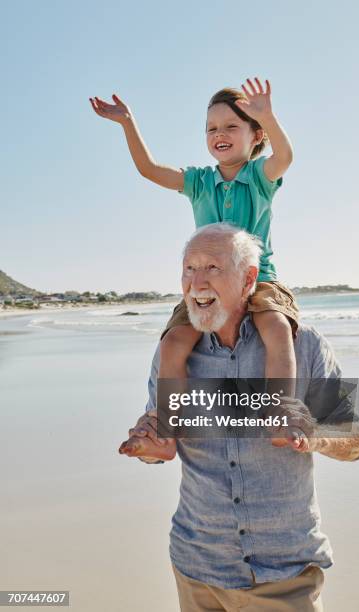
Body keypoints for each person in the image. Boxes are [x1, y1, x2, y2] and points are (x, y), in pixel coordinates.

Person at [119, 224, 359, 612]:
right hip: (197, 568)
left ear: (249, 278)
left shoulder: (304, 345)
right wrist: (149, 448)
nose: (196, 282)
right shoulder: (173, 353)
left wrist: (312, 435)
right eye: (189, 269)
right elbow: (159, 446)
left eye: (213, 268)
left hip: (284, 573)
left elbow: (356, 441)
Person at [90, 77, 298, 396]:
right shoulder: (198, 182)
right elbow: (149, 168)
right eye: (211, 128)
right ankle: (166, 426)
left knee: (277, 329)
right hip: (205, 284)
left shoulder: (259, 177)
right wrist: (127, 123)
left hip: (259, 280)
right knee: (173, 341)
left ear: (256, 135)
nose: (219, 134)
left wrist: (268, 116)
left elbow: (284, 157)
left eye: (231, 126)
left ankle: (281, 412)